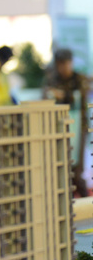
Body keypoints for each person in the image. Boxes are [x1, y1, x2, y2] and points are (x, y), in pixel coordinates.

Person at [43, 48, 90, 197]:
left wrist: (62, 95)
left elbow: (77, 97)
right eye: (61, 63)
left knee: (77, 171)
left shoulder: (78, 79)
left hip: (79, 128)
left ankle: (86, 203)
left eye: (67, 62)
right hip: (59, 129)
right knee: (62, 171)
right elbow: (45, 98)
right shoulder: (52, 80)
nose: (64, 67)